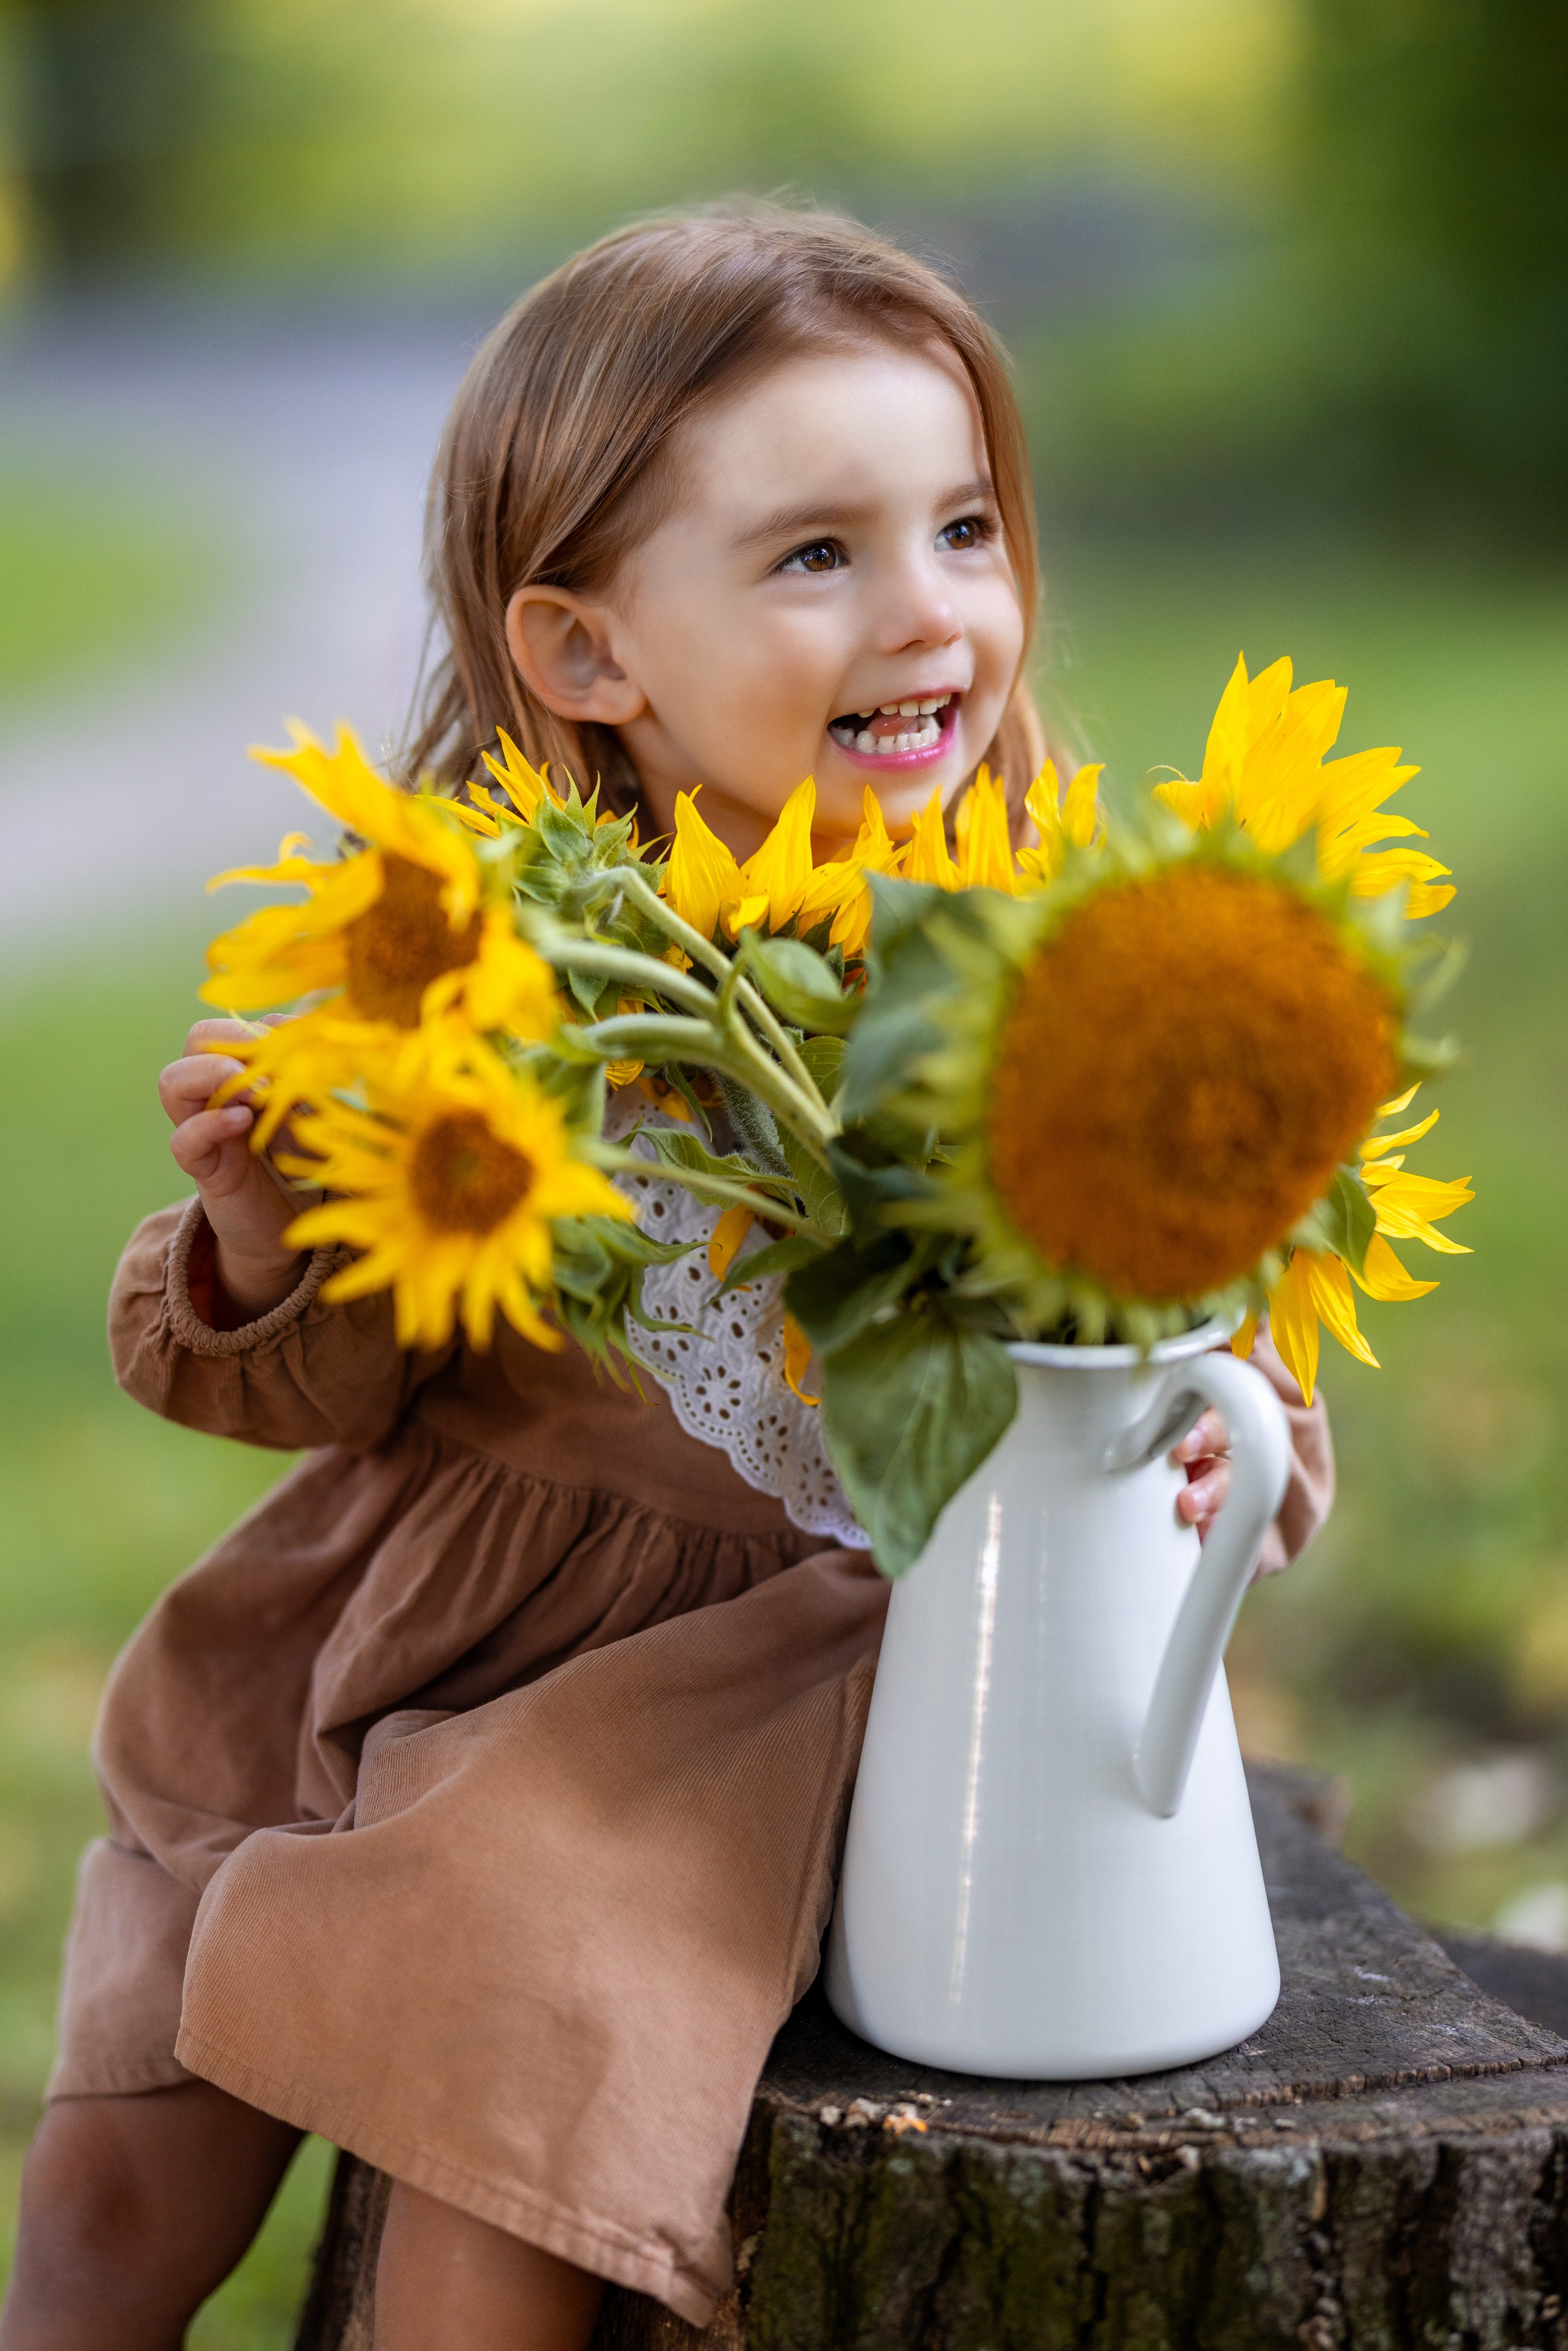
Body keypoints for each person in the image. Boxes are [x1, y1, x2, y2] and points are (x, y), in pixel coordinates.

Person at [0, 202, 1333, 2351]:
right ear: (583, 655)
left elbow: (1189, 1306)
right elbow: (330, 1381)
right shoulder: (488, 956)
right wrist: (265, 1235)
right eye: (818, 555)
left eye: (967, 526)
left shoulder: (1061, 956)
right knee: (109, 2187)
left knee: (496, 2122)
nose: (929, 614)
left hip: (726, 1707)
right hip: (387, 1634)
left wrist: (1231, 1447)